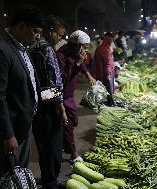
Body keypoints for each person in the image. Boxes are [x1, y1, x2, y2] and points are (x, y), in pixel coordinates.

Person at [0, 6, 42, 189]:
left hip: (21, 125)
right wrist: (7, 134)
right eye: (35, 31)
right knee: (4, 178)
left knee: (17, 176)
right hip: (6, 132)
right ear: (22, 27)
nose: (38, 36)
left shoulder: (20, 48)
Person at [30, 15, 67, 189]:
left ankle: (47, 180)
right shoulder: (46, 49)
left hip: (37, 102)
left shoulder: (31, 46)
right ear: (51, 32)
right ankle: (51, 182)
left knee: (43, 144)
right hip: (49, 103)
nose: (59, 39)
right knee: (53, 145)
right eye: (59, 35)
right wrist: (60, 106)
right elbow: (53, 80)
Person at [56, 30, 95, 163]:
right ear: (76, 46)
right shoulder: (61, 56)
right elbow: (62, 79)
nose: (86, 51)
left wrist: (88, 74)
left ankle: (63, 144)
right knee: (68, 124)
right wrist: (77, 63)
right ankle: (73, 153)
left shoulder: (74, 53)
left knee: (72, 120)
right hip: (62, 96)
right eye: (84, 47)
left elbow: (83, 64)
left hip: (70, 95)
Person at [94, 36, 115, 106]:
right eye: (111, 42)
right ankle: (107, 103)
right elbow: (107, 64)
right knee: (107, 89)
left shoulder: (99, 48)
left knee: (100, 89)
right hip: (104, 74)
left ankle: (101, 103)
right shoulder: (106, 50)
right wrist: (108, 74)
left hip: (98, 72)